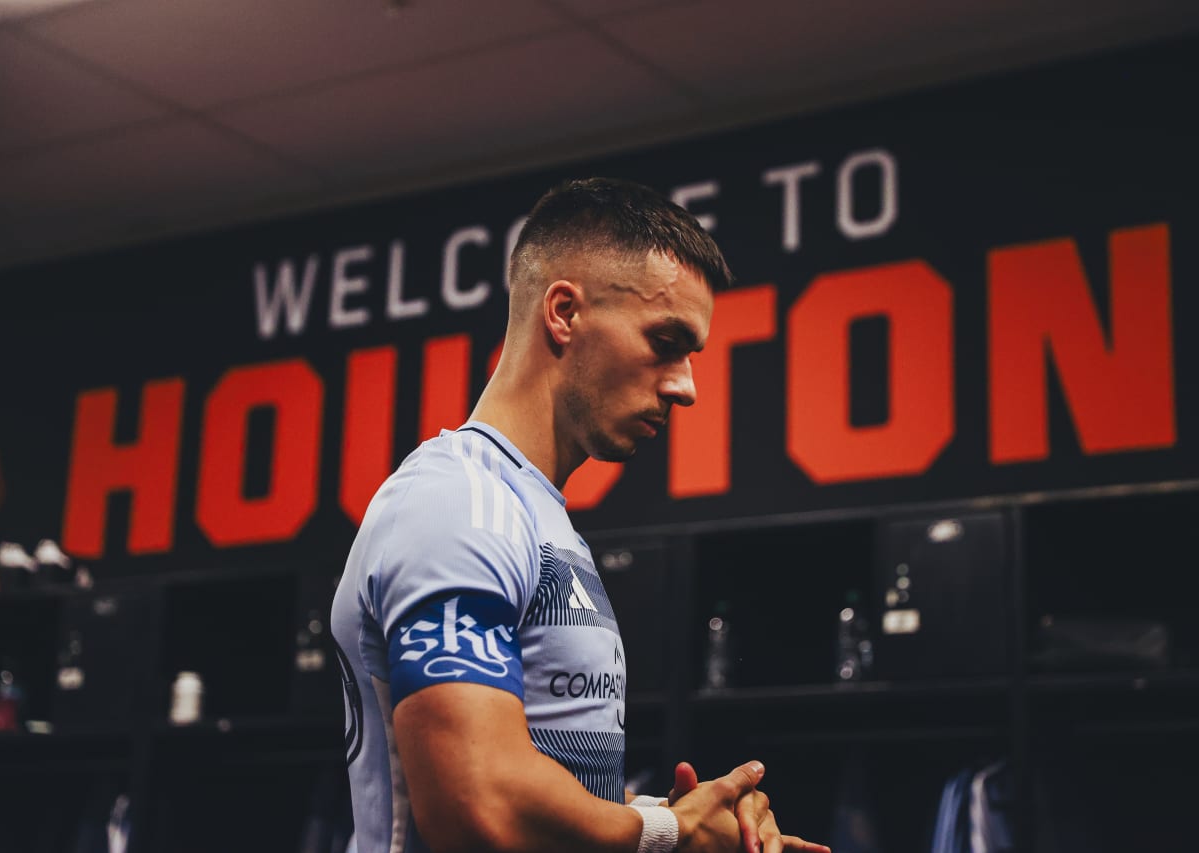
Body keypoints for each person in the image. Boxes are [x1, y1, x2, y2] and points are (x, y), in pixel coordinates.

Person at [330, 177, 828, 853]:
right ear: (563, 312)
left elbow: (551, 788)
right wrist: (669, 832)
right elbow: (477, 805)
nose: (686, 385)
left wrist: (694, 818)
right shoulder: (456, 501)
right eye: (666, 340)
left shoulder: (535, 516)